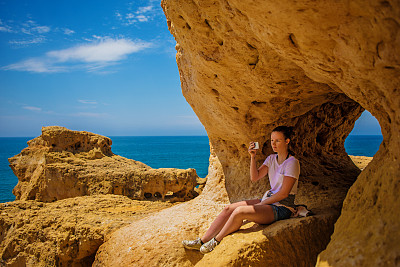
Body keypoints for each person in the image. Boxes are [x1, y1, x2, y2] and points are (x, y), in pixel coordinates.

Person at [182, 126, 300, 254]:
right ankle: (202, 241)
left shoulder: (292, 163)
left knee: (239, 212)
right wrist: (252, 157)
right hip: (269, 200)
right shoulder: (271, 159)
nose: (274, 144)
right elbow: (255, 177)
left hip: (282, 207)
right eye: (272, 140)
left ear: (287, 141)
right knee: (229, 208)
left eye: (278, 140)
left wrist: (261, 204)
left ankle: (216, 241)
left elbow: (284, 193)